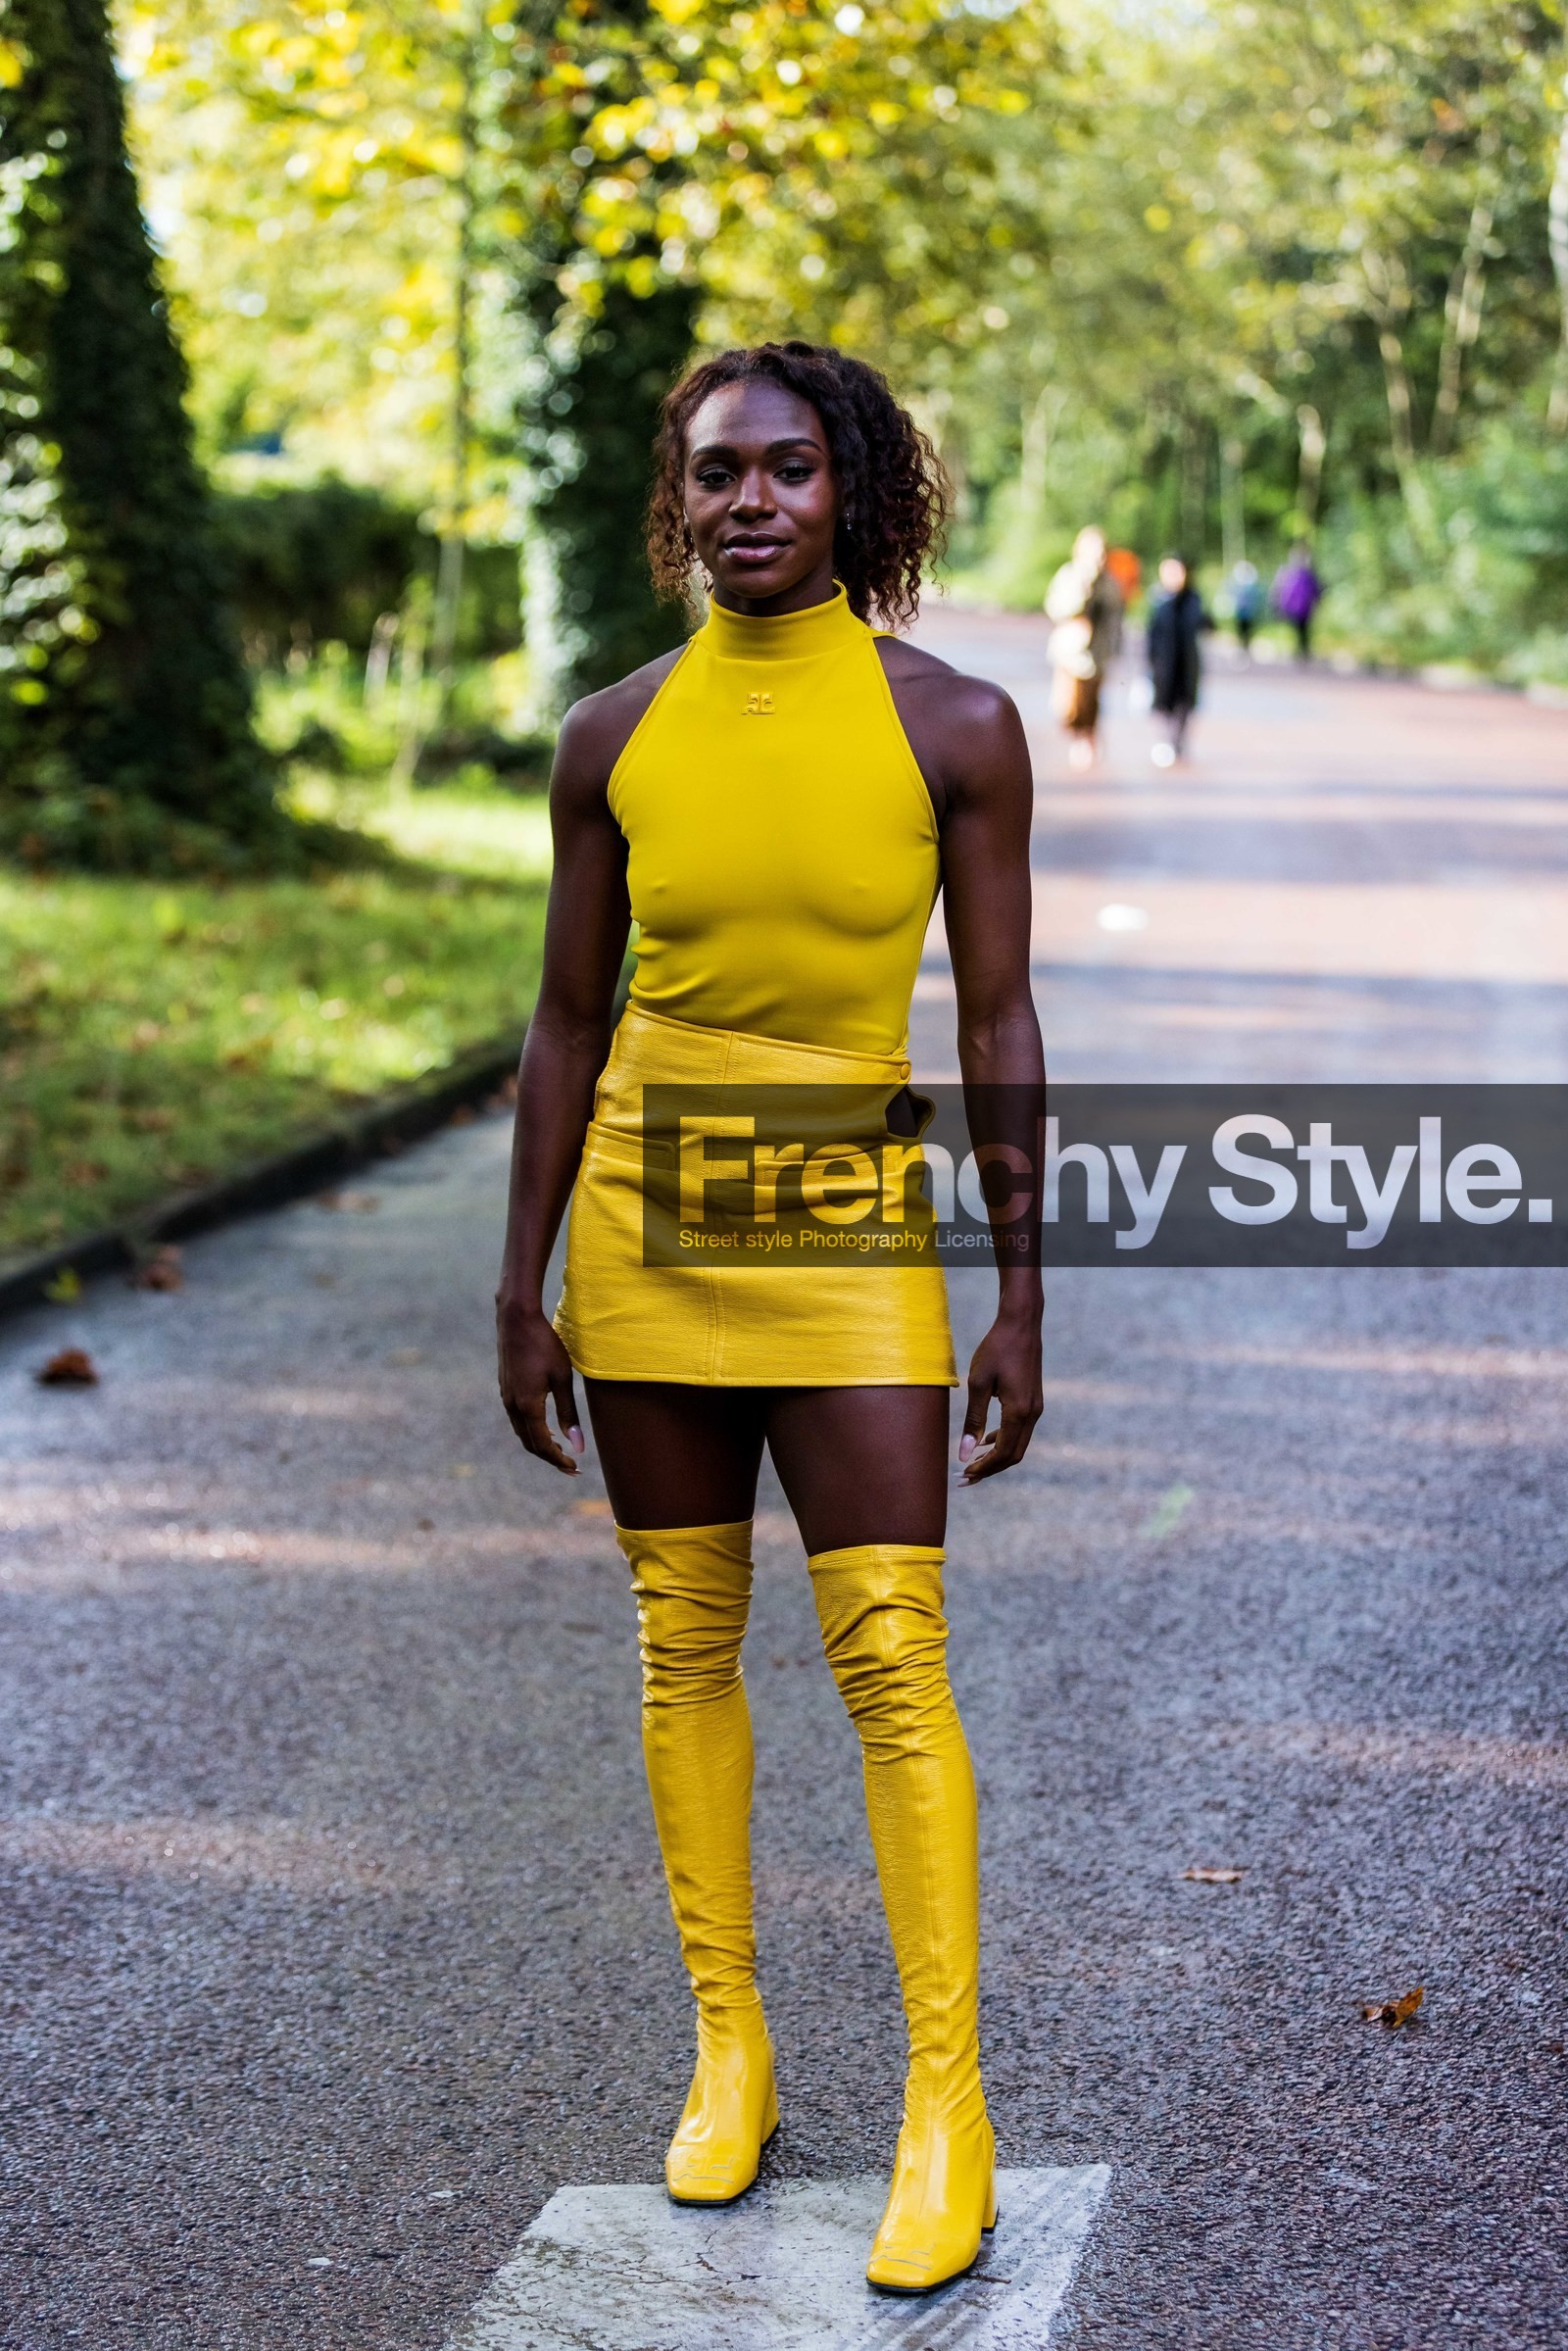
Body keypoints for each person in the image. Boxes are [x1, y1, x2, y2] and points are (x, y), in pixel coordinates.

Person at [495, 341, 1045, 2297]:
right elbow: (565, 1021)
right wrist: (521, 1278)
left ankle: (941, 2101)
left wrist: (1019, 1291)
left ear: (852, 494)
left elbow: (991, 1022)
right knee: (684, 1636)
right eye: (715, 469)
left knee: (891, 1647)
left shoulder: (956, 725)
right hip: (645, 1214)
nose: (747, 499)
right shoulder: (613, 734)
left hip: (834, 1217)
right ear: (679, 496)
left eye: (787, 469)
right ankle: (728, 2045)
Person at [1045, 524, 1124, 770]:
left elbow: (1116, 616)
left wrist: (1116, 647)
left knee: (1093, 700)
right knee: (1070, 704)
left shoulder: (1110, 581)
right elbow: (1057, 608)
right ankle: (1079, 736)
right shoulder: (1070, 575)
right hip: (1072, 651)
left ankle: (1088, 740)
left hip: (1099, 652)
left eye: (1102, 552)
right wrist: (1083, 589)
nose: (1098, 558)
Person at [1147, 553, 1207, 766]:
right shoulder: (1158, 599)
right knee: (1164, 705)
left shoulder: (1193, 599)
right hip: (1164, 664)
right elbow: (1152, 634)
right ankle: (1167, 743)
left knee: (1184, 705)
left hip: (1187, 664)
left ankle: (1177, 743)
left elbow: (1202, 623)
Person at [1271, 542, 1322, 660]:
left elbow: (1315, 589)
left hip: (1301, 607)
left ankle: (1302, 650)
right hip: (1299, 607)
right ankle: (1302, 650)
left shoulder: (1303, 573)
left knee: (1302, 629)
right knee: (1301, 629)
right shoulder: (1297, 573)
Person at [1229, 559, 1263, 657]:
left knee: (1246, 631)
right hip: (1242, 612)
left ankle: (1245, 647)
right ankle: (1243, 647)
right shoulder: (1242, 583)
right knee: (1242, 631)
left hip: (1247, 613)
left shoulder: (1249, 584)